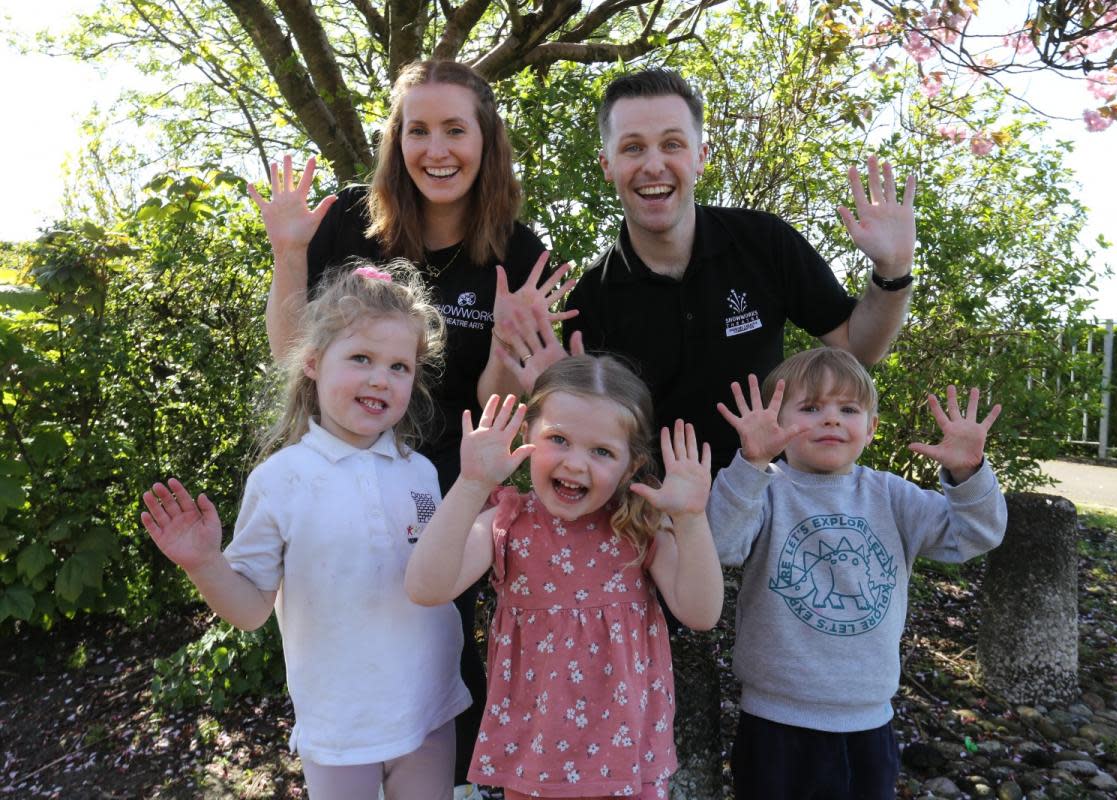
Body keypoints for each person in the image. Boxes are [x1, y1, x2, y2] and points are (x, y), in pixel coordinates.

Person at [248, 61, 571, 794]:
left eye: (455, 129)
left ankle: (449, 783)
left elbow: (493, 406)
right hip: (339, 478)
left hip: (444, 491)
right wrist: (290, 252)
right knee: (344, 639)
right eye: (417, 130)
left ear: (486, 140)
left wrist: (507, 352)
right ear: (396, 141)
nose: (437, 149)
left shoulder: (517, 253)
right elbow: (293, 356)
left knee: (437, 653)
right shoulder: (347, 223)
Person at [140, 265, 469, 800]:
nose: (381, 378)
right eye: (361, 358)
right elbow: (249, 611)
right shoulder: (281, 480)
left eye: (400, 366)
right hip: (338, 728)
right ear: (313, 362)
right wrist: (204, 563)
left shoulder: (422, 473)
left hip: (429, 710)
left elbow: (440, 573)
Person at [561, 68, 918, 474]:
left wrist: (893, 269)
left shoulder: (763, 241)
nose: (654, 165)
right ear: (608, 164)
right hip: (660, 518)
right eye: (633, 148)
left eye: (672, 144)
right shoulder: (591, 299)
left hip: (773, 503)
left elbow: (857, 347)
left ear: (701, 157)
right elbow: (592, 438)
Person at [405, 355, 725, 799]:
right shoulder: (508, 520)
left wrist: (690, 520)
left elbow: (702, 612)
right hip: (532, 761)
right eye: (559, 439)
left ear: (631, 466)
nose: (576, 464)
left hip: (627, 760)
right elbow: (426, 587)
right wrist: (472, 483)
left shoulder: (640, 527)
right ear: (525, 437)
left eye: (602, 452)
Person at [707, 347, 1007, 799]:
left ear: (870, 429)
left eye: (848, 409)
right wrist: (749, 465)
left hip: (868, 721)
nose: (831, 420)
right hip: (774, 720)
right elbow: (720, 545)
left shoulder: (891, 496)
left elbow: (975, 535)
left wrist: (969, 473)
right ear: (777, 425)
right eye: (810, 408)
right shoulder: (764, 491)